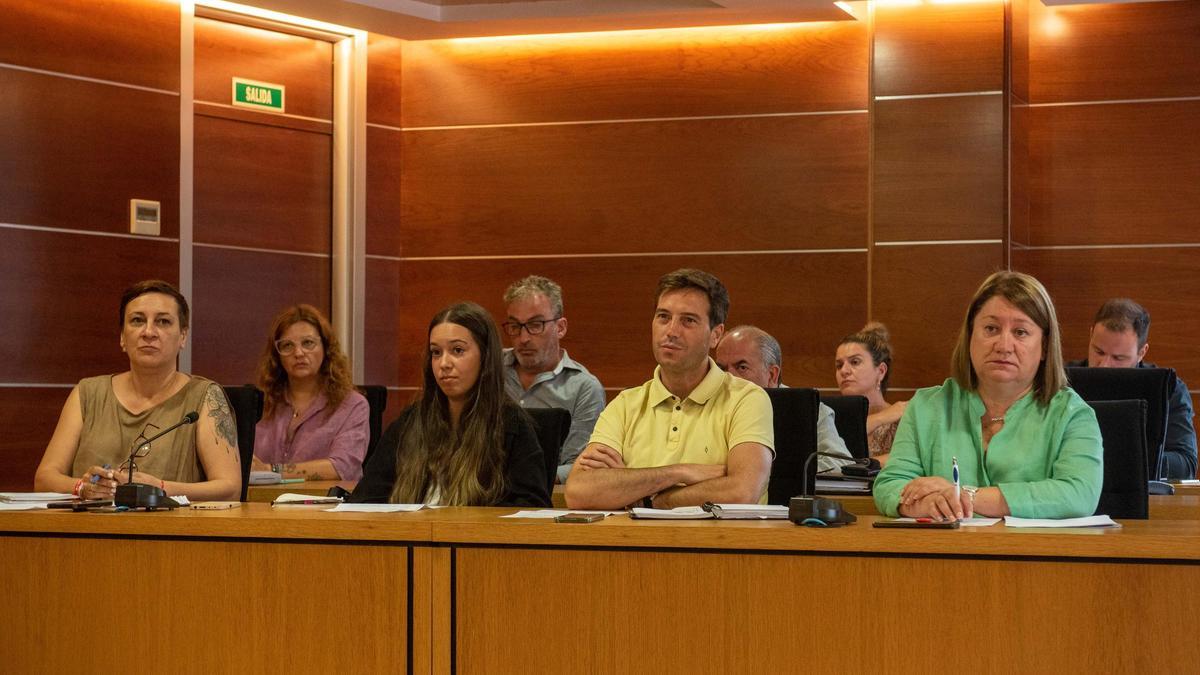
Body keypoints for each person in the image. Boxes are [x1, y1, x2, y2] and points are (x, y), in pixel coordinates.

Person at [873, 271, 1103, 520]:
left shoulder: (1072, 415)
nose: (1004, 345)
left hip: (1034, 556)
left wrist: (966, 496)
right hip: (943, 555)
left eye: (1021, 332)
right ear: (970, 336)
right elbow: (889, 485)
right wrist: (927, 504)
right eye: (991, 328)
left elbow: (1078, 494)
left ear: (1045, 346)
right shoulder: (926, 408)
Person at [565, 269, 774, 509]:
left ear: (715, 335)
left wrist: (644, 497)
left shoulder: (747, 399)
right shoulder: (625, 404)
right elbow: (579, 491)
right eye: (663, 317)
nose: (671, 331)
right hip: (633, 545)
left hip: (718, 544)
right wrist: (678, 472)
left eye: (688, 320)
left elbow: (742, 491)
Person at [34, 280, 241, 501]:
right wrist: (81, 487)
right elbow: (44, 479)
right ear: (123, 337)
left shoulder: (205, 396)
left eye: (163, 321)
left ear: (183, 336)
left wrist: (160, 488)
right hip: (89, 530)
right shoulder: (87, 393)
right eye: (137, 320)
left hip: (171, 530)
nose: (149, 332)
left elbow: (230, 489)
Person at [350, 302, 550, 507]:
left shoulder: (511, 426)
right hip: (410, 536)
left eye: (457, 350)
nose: (444, 363)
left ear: (485, 356)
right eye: (436, 352)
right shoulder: (411, 421)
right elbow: (365, 499)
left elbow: (530, 509)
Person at [1068, 298, 1197, 480]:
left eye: (1118, 358)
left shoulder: (1170, 389)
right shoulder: (1061, 379)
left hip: (1141, 495)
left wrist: (1130, 458)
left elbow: (1185, 465)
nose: (1104, 366)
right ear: (1090, 336)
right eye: (1099, 352)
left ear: (1141, 352)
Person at [501, 275, 605, 484]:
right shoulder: (490, 369)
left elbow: (579, 465)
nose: (524, 338)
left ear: (560, 327)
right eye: (515, 326)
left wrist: (524, 476)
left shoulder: (583, 388)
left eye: (535, 324)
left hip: (546, 496)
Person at [251, 304, 369, 482]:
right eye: (287, 345)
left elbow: (341, 467)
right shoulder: (261, 401)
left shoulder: (352, 405)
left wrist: (270, 470)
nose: (298, 353)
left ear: (326, 348)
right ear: (277, 355)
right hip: (260, 504)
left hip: (327, 505)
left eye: (308, 343)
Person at [715, 325, 853, 471]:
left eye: (742, 367)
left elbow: (840, 464)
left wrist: (760, 473)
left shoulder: (809, 411)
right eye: (721, 369)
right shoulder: (707, 405)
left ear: (772, 375)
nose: (728, 378)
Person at [835, 322, 907, 465]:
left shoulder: (902, 419)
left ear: (881, 371)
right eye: (839, 365)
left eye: (855, 362)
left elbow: (906, 461)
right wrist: (881, 418)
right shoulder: (828, 416)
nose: (844, 371)